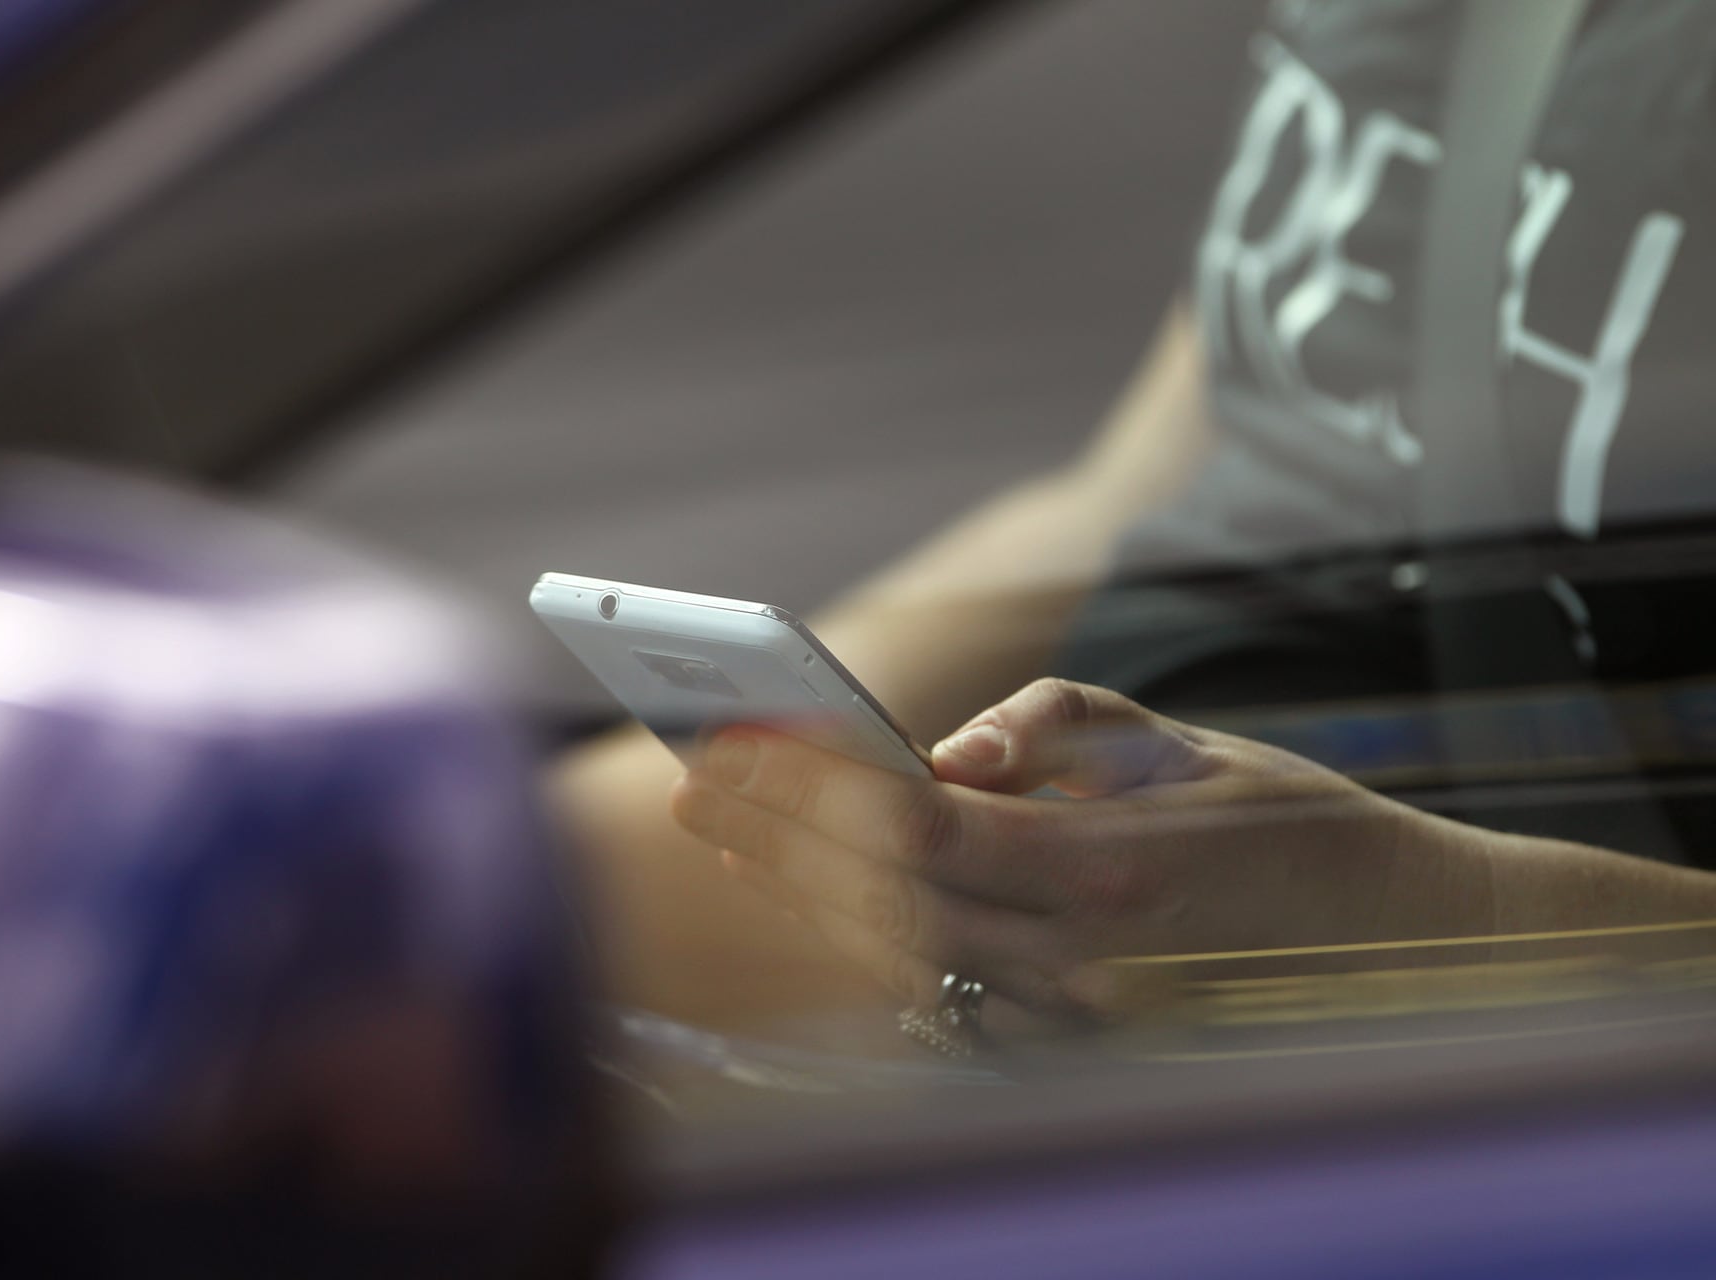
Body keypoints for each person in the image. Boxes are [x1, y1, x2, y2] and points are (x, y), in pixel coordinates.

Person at [554, 0, 1716, 1034]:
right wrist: (481, 873)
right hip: (1095, 1046)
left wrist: (1456, 923)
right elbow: (1139, 494)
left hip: (1502, 1137)